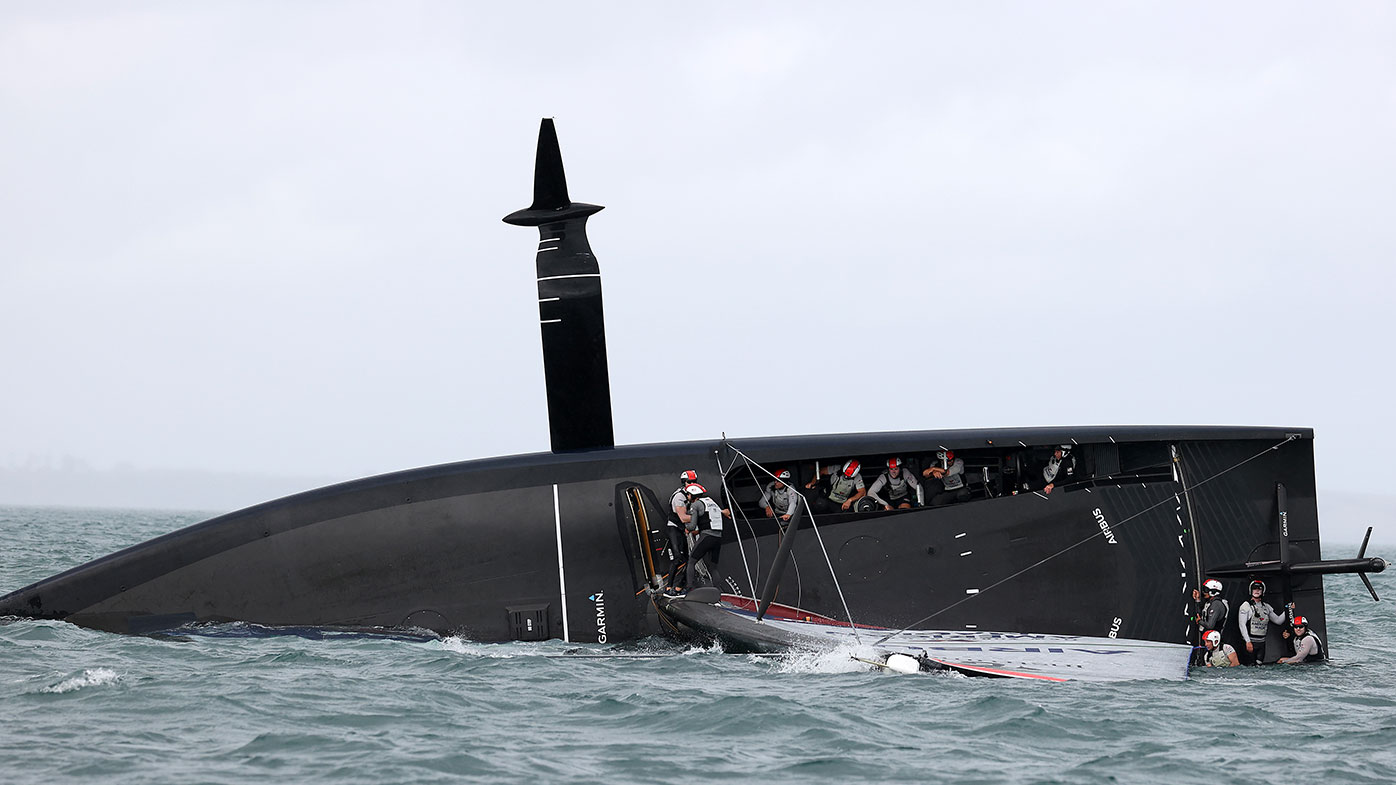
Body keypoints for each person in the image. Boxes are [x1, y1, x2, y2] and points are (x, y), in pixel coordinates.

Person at [683, 483, 729, 589]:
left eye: (688, 494)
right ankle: (719, 591)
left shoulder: (696, 505)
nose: (687, 496)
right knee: (713, 567)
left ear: (693, 495)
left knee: (691, 561)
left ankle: (690, 588)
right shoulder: (710, 502)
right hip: (717, 538)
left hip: (707, 537)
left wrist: (687, 527)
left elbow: (692, 525)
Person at [1237, 579, 1288, 665]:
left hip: (1261, 643)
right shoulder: (1246, 606)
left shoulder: (1266, 607)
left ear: (1263, 591)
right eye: (1254, 589)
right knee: (1250, 666)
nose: (1257, 591)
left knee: (1259, 666)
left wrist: (1288, 609)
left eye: (1259, 589)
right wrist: (1247, 641)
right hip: (1250, 642)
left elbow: (1278, 621)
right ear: (1251, 590)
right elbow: (1242, 625)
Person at [664, 470, 699, 591]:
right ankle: (668, 587)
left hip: (683, 530)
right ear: (684, 483)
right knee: (678, 557)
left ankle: (679, 587)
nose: (692, 484)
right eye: (690, 482)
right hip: (674, 527)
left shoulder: (693, 495)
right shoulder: (679, 496)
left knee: (690, 561)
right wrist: (702, 517)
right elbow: (683, 518)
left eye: (695, 482)